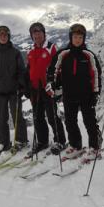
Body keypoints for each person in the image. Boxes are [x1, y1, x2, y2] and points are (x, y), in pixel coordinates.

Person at [47, 23, 102, 160]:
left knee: (89, 121)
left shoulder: (89, 55)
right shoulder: (63, 54)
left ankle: (94, 148)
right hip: (69, 94)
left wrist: (95, 93)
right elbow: (52, 71)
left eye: (80, 37)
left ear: (84, 39)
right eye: (75, 37)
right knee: (70, 122)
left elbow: (96, 75)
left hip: (86, 95)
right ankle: (76, 145)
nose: (78, 39)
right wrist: (52, 83)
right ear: (70, 37)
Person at [0, 25, 28, 154]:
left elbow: (21, 71)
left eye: (5, 35)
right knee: (2, 118)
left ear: (8, 36)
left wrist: (21, 86)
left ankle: (21, 140)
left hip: (14, 90)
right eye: (0, 35)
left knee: (17, 116)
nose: (3, 37)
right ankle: (3, 142)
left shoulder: (15, 53)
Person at [25, 22, 67, 156]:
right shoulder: (30, 51)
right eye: (34, 33)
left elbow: (59, 68)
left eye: (39, 32)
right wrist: (27, 86)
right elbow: (29, 70)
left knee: (52, 116)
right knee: (37, 117)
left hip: (47, 87)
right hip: (35, 88)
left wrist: (57, 85)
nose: (36, 35)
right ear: (32, 36)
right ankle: (42, 141)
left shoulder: (51, 48)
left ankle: (59, 140)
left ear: (44, 34)